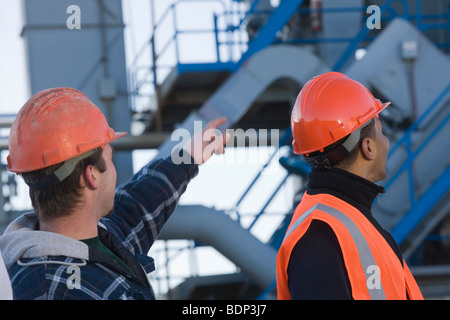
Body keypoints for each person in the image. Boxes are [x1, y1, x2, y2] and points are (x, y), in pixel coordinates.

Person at [0, 87, 228, 300]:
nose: (114, 170)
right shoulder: (50, 291)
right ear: (92, 175)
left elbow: (140, 202)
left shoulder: (103, 239)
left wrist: (188, 156)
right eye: (110, 158)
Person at [276, 72, 423, 300]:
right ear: (368, 148)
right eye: (381, 132)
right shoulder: (319, 238)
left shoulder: (346, 221)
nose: (387, 141)